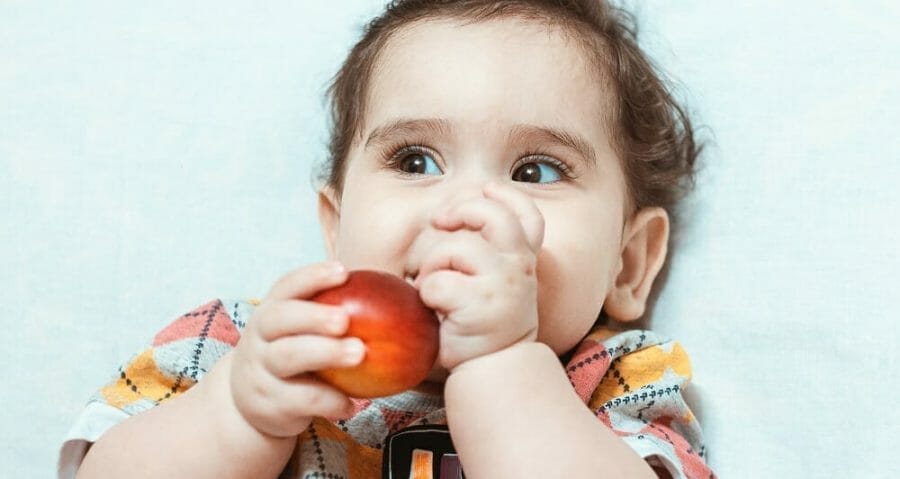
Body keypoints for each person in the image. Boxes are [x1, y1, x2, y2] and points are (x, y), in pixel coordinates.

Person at [60, 1, 714, 477]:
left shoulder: (616, 384)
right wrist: (236, 415)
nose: (465, 211)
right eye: (415, 161)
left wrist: (501, 366)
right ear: (336, 227)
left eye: (534, 171)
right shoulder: (251, 348)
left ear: (629, 264)